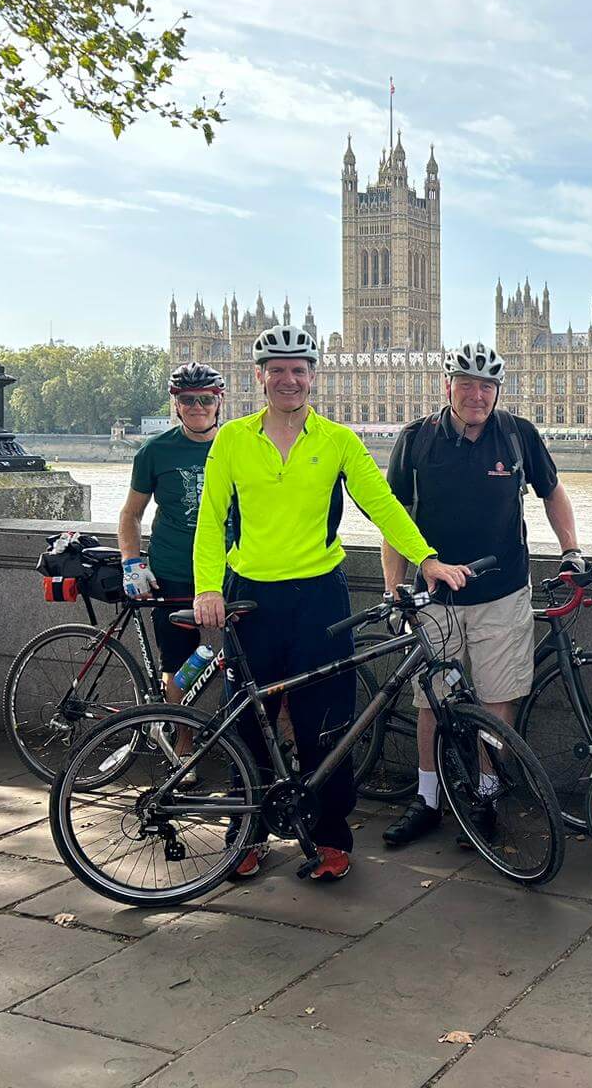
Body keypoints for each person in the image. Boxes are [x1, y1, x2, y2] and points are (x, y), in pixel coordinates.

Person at [193, 323, 469, 882]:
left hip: (321, 595)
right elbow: (210, 518)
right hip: (251, 596)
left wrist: (428, 559)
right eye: (278, 371)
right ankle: (244, 834)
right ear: (260, 378)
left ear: (313, 377)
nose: (288, 380)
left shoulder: (338, 440)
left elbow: (383, 505)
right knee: (249, 720)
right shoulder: (232, 439)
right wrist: (208, 587)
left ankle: (331, 838)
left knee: (329, 723)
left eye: (299, 371)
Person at [379, 341, 584, 849]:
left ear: (497, 391)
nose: (476, 394)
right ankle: (427, 797)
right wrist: (393, 588)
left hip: (503, 592)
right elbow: (394, 518)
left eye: (486, 386)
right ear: (447, 386)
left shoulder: (517, 436)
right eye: (466, 384)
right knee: (433, 700)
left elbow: (552, 492)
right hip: (434, 597)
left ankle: (486, 794)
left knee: (497, 700)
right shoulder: (415, 439)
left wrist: (572, 550)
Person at [118, 363, 225, 726]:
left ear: (218, 402)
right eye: (188, 399)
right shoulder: (154, 451)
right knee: (177, 665)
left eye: (206, 399)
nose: (198, 406)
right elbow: (131, 513)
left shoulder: (238, 446)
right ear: (175, 403)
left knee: (253, 660)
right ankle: (181, 748)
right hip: (174, 572)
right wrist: (131, 563)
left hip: (228, 572)